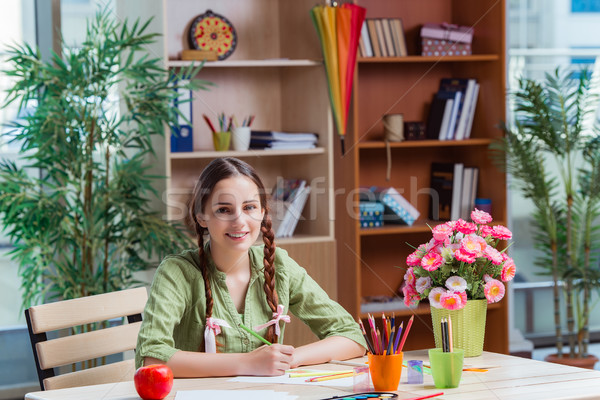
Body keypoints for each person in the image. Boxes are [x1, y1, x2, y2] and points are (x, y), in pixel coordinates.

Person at [135, 157, 366, 377]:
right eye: (224, 210)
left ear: (263, 212)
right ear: (201, 217)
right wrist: (249, 363)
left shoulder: (279, 265)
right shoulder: (177, 273)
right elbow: (151, 359)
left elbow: (352, 336)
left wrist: (287, 359)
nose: (239, 220)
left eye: (250, 207)